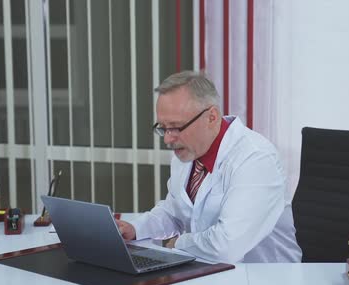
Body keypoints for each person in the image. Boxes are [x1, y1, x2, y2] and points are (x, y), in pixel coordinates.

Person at [116, 71, 302, 263]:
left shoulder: (256, 159)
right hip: (208, 272)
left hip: (266, 280)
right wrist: (135, 229)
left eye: (176, 127)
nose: (168, 139)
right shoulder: (188, 152)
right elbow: (174, 213)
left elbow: (227, 246)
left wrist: (177, 244)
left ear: (212, 117)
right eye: (163, 128)